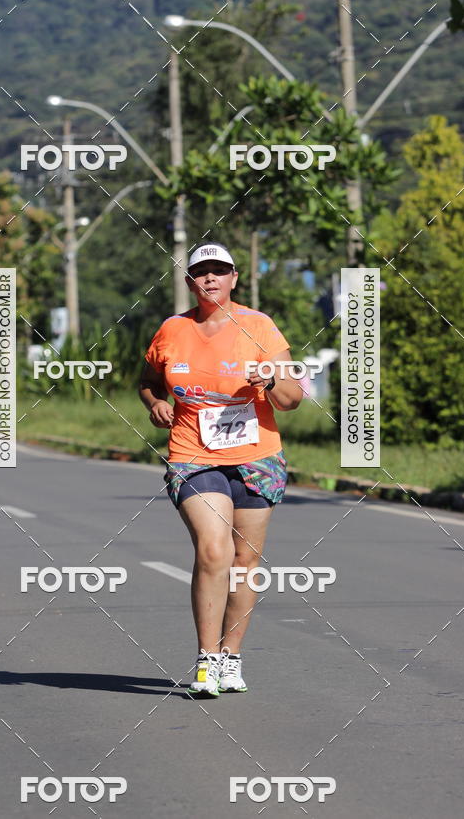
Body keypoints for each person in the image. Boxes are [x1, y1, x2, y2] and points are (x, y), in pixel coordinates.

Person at [139, 243, 303, 697]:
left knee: (244, 561)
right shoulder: (172, 330)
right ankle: (207, 658)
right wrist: (155, 404)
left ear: (234, 278)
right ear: (190, 282)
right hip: (193, 453)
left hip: (256, 456)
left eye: (219, 271)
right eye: (200, 272)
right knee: (214, 550)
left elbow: (291, 399)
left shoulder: (259, 327)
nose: (210, 278)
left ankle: (231, 657)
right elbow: (149, 382)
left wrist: (269, 382)